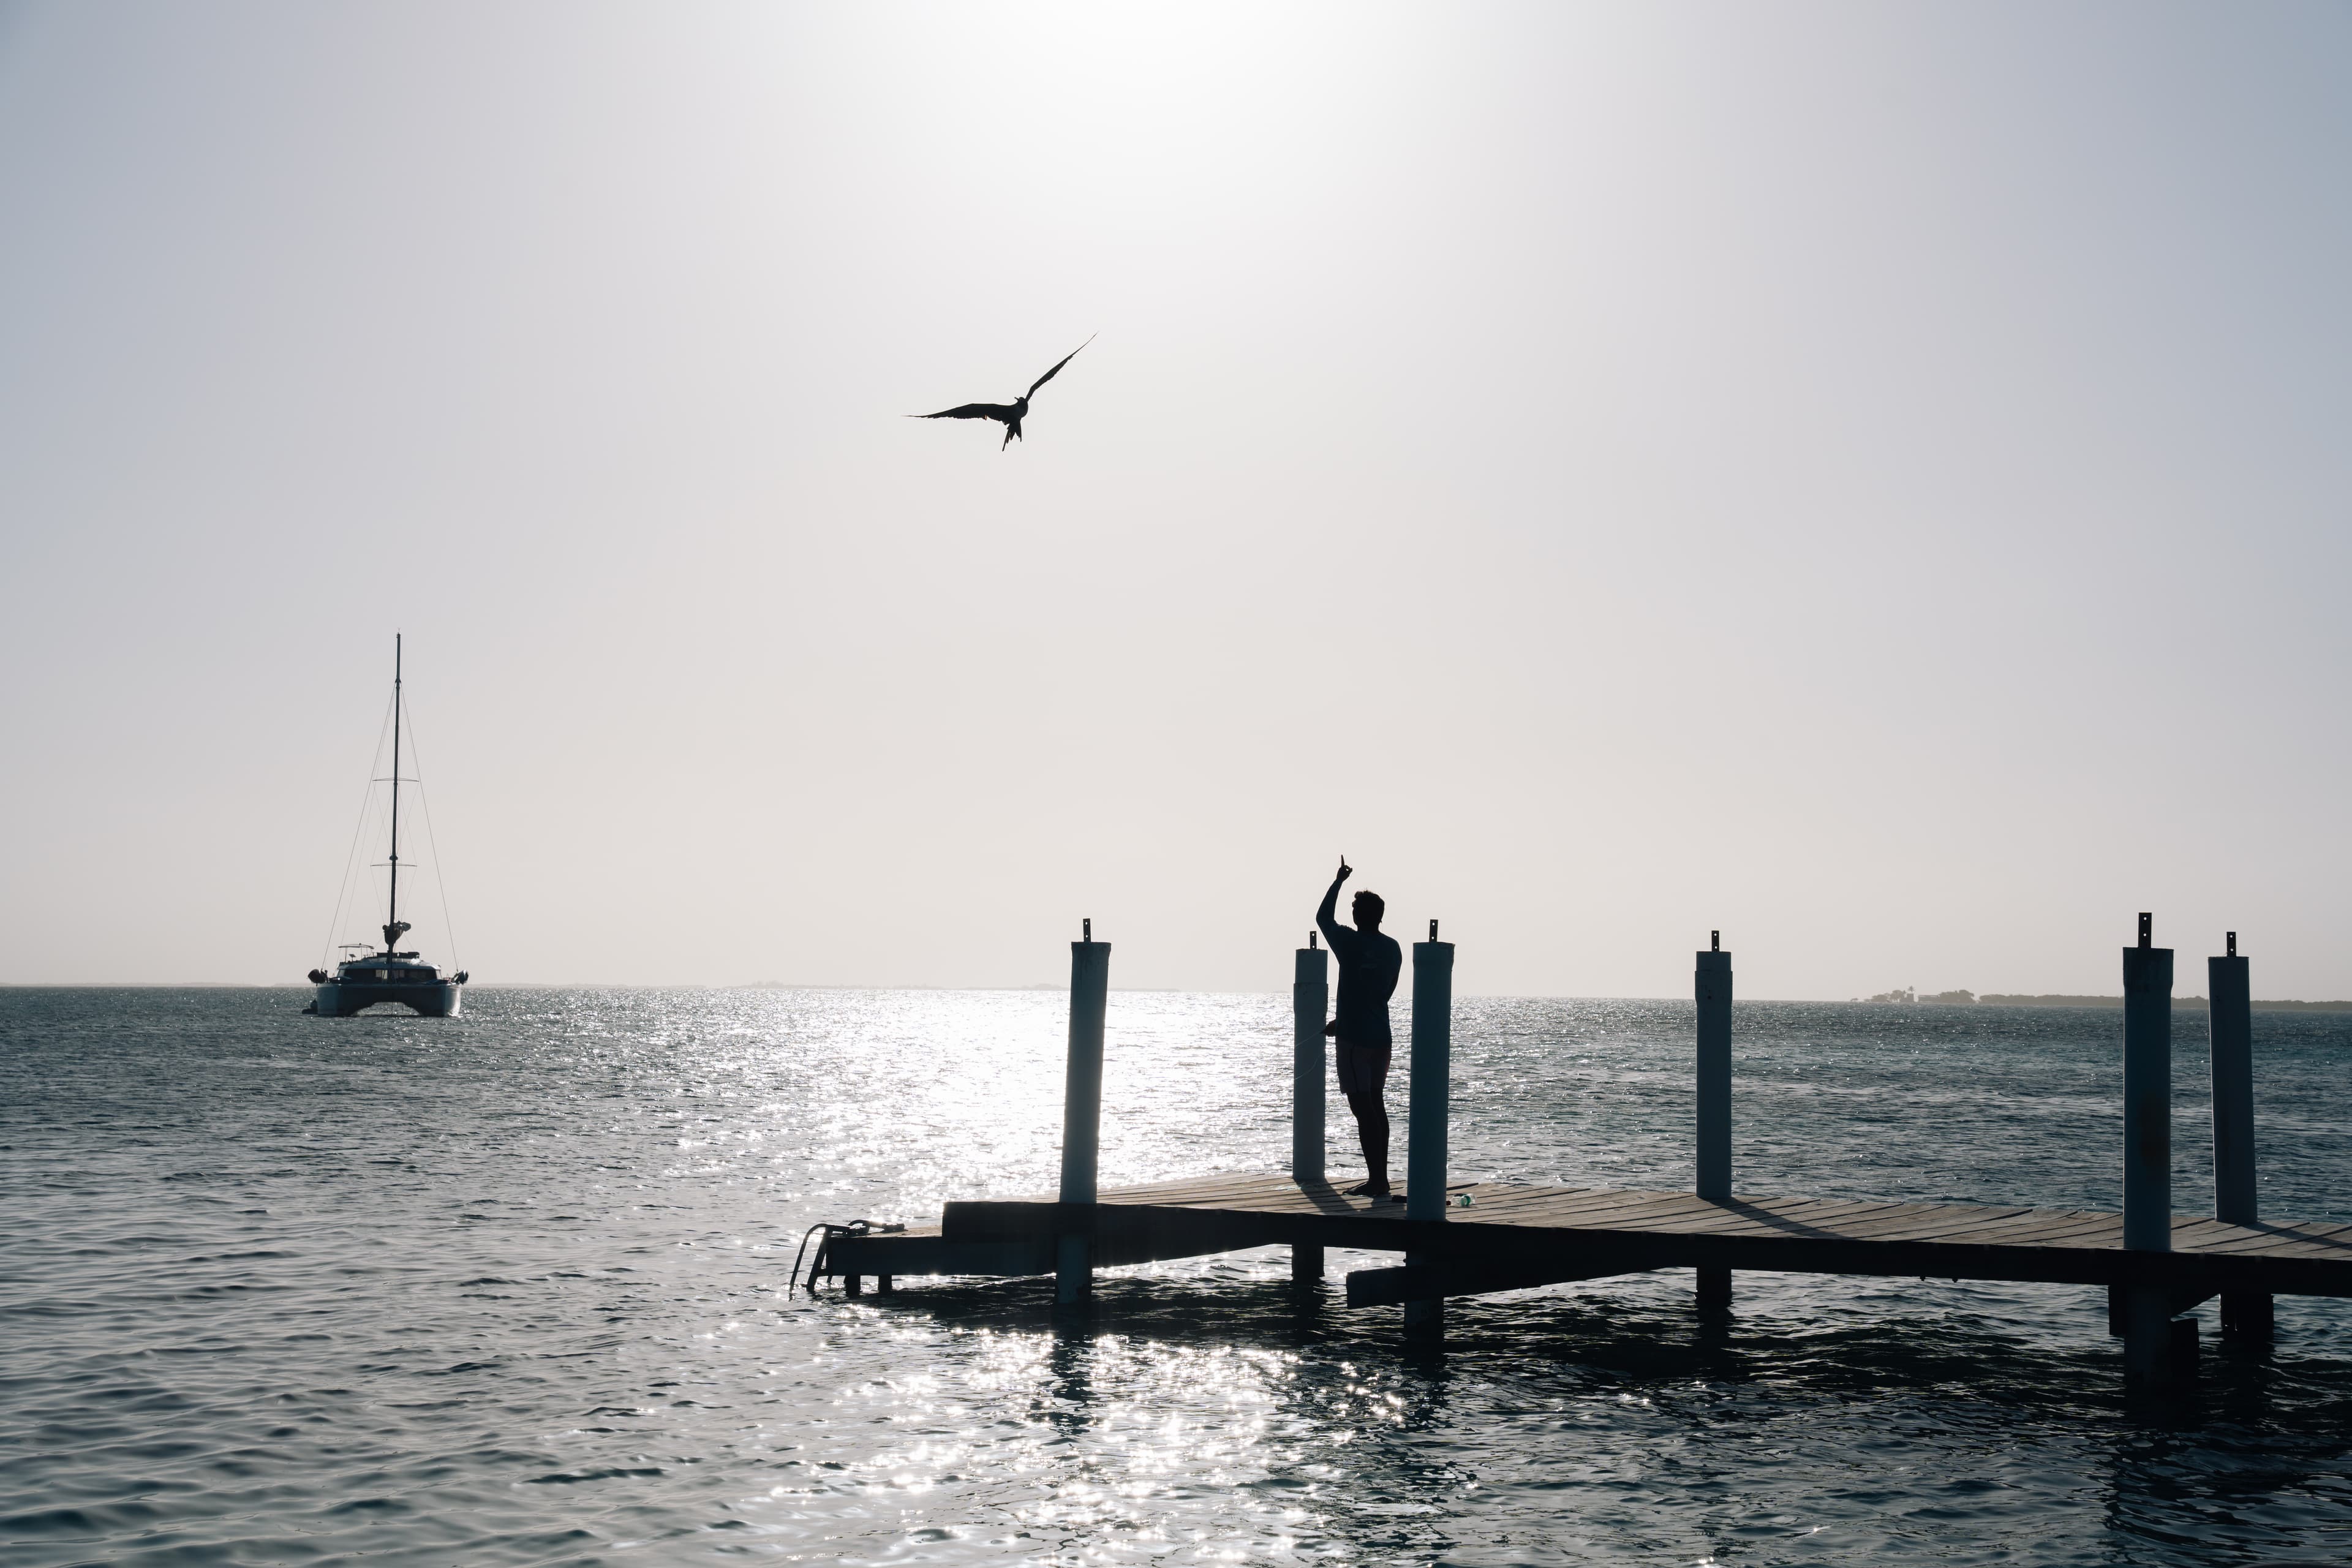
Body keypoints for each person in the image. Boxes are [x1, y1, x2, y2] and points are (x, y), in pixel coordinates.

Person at [1316, 857, 1404, 1200]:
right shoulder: (1392, 948)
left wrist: (1338, 881)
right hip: (1381, 1036)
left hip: (1355, 1041)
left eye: (1355, 909)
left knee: (1361, 1108)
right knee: (1376, 1105)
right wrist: (1350, 1017)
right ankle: (1380, 1179)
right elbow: (1383, 993)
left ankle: (1377, 1182)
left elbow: (1323, 918)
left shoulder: (1350, 944)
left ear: (1358, 916)